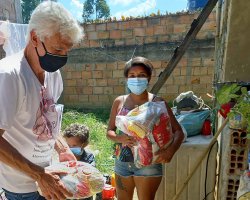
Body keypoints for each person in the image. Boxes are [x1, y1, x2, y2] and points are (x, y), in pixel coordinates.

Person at [0, 1, 83, 200]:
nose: (63, 57)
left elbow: (48, 122)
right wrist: (38, 174)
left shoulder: (53, 74)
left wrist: (62, 149)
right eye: (58, 49)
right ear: (35, 37)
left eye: (67, 50)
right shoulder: (9, 76)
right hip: (22, 188)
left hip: (48, 175)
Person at [107, 56, 184, 200]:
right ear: (127, 78)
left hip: (149, 164)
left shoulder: (158, 103)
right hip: (122, 162)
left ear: (148, 78)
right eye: (132, 75)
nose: (136, 79)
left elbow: (178, 131)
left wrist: (170, 151)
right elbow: (109, 132)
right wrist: (119, 138)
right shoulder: (119, 102)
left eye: (141, 75)